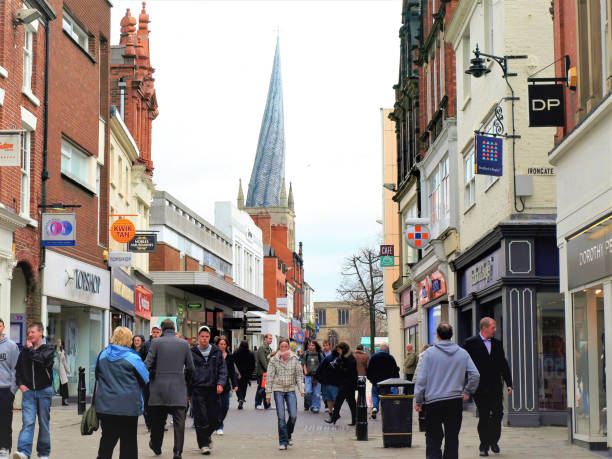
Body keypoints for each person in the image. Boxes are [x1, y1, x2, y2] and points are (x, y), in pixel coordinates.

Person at [414, 323, 480, 459]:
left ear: (437, 335)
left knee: (433, 438)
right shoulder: (462, 353)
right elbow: (475, 375)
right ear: (452, 335)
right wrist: (467, 391)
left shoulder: (429, 354)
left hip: (433, 402)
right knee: (452, 438)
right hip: (454, 401)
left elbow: (421, 379)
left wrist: (419, 400)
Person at [95, 327, 149, 459]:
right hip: (128, 407)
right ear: (128, 340)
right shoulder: (133, 358)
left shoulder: (102, 355)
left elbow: (97, 375)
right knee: (128, 442)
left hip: (106, 406)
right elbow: (145, 379)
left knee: (107, 440)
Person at [145, 319, 195, 459]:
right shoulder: (184, 344)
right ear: (174, 328)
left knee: (157, 421)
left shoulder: (155, 342)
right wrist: (185, 381)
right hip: (178, 388)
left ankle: (156, 445)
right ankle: (177, 452)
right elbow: (191, 368)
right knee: (179, 422)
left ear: (162, 329)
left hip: (158, 388)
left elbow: (147, 364)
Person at [464, 317, 512, 457]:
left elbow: (503, 364)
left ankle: (493, 440)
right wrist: (465, 385)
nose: (495, 330)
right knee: (484, 416)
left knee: (498, 414)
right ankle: (483, 446)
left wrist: (509, 383)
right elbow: (463, 364)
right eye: (493, 328)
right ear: (484, 328)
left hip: (496, 386)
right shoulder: (470, 343)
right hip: (479, 388)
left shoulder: (497, 344)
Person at [12, 322, 54, 459]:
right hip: (29, 392)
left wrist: (30, 350)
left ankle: (43, 453)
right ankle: (24, 452)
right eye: (28, 332)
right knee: (28, 422)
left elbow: (41, 360)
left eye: (32, 332)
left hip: (44, 391)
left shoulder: (49, 349)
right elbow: (18, 370)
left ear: (40, 332)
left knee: (43, 423)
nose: (29, 335)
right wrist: (21, 384)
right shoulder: (25, 351)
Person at [188, 326, 227, 455]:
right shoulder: (192, 352)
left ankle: (207, 436)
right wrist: (188, 392)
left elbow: (222, 369)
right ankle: (204, 444)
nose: (204, 339)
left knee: (214, 418)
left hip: (212, 389)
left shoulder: (216, 351)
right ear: (198, 337)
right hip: (197, 389)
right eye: (202, 336)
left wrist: (221, 383)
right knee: (200, 417)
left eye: (206, 336)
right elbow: (187, 372)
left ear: (209, 337)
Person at [265, 339, 305, 450]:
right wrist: (268, 394)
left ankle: (288, 434)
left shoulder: (295, 359)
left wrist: (301, 390)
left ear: (288, 347)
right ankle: (283, 441)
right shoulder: (274, 360)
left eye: (286, 346)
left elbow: (299, 375)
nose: (284, 348)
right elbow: (269, 378)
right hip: (278, 390)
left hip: (290, 389)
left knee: (293, 416)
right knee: (281, 417)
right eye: (281, 346)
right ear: (279, 347)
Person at [325, 342, 358, 426]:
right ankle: (354, 420)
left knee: (340, 401)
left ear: (343, 350)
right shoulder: (343, 357)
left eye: (339, 350)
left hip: (348, 383)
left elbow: (349, 371)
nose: (338, 351)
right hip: (346, 383)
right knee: (350, 402)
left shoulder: (350, 358)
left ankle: (335, 417)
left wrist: (338, 367)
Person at [0, 318, 19, 459]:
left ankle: (5, 448)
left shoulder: (12, 346)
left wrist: (12, 391)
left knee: (5, 421)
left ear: (3, 327)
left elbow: (16, 370)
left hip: (6, 389)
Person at [366, 343, 400, 419]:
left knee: (375, 395)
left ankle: (374, 408)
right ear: (387, 350)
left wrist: (370, 379)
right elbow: (395, 370)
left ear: (380, 349)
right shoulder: (390, 357)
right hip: (387, 383)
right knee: (386, 396)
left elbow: (369, 370)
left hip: (376, 382)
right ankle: (386, 412)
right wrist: (397, 380)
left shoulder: (373, 357)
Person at [213, 335, 237, 435]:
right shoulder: (214, 355)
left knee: (225, 406)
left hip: (226, 385)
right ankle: (219, 426)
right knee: (218, 405)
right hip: (215, 384)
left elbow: (232, 371)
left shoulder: (230, 356)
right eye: (221, 344)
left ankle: (218, 422)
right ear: (217, 345)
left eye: (224, 344)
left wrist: (235, 384)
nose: (222, 346)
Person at [141, 327, 161, 431]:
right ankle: (149, 423)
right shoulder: (146, 345)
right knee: (147, 400)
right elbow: (141, 359)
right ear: (151, 333)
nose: (156, 334)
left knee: (159, 400)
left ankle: (160, 422)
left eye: (157, 332)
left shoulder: (163, 344)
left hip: (159, 376)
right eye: (154, 332)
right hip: (148, 377)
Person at [315, 346, 341, 417]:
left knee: (329, 398)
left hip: (326, 381)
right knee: (335, 397)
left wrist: (320, 379)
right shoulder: (340, 358)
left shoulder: (328, 357)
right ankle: (335, 411)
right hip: (335, 381)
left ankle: (330, 411)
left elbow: (320, 368)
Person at [301, 341, 324, 413]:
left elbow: (323, 365)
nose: (311, 346)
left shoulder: (320, 354)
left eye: (313, 345)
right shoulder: (306, 354)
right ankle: (311, 404)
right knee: (308, 392)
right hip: (308, 376)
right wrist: (305, 372)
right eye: (310, 345)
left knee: (317, 393)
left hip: (317, 377)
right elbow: (303, 364)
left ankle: (316, 407)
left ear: (316, 346)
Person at [233, 340, 255, 410]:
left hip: (237, 373)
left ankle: (240, 398)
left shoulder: (236, 353)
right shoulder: (251, 354)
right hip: (246, 374)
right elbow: (253, 365)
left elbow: (233, 362)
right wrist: (250, 373)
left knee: (237, 386)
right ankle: (242, 398)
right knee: (244, 387)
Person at [255, 333, 273, 409]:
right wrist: (269, 370)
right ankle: (257, 404)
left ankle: (267, 404)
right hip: (262, 372)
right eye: (269, 338)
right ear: (265, 339)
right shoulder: (261, 348)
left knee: (266, 389)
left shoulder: (270, 349)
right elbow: (263, 361)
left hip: (268, 372)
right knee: (261, 388)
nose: (271, 340)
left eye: (271, 339)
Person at [55, 339, 71, 406]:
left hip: (62, 371)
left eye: (60, 342)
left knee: (64, 386)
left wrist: (68, 370)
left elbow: (64, 363)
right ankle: (63, 400)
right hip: (57, 371)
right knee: (61, 386)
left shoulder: (62, 352)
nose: (59, 343)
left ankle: (64, 400)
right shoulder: (57, 352)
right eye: (58, 342)